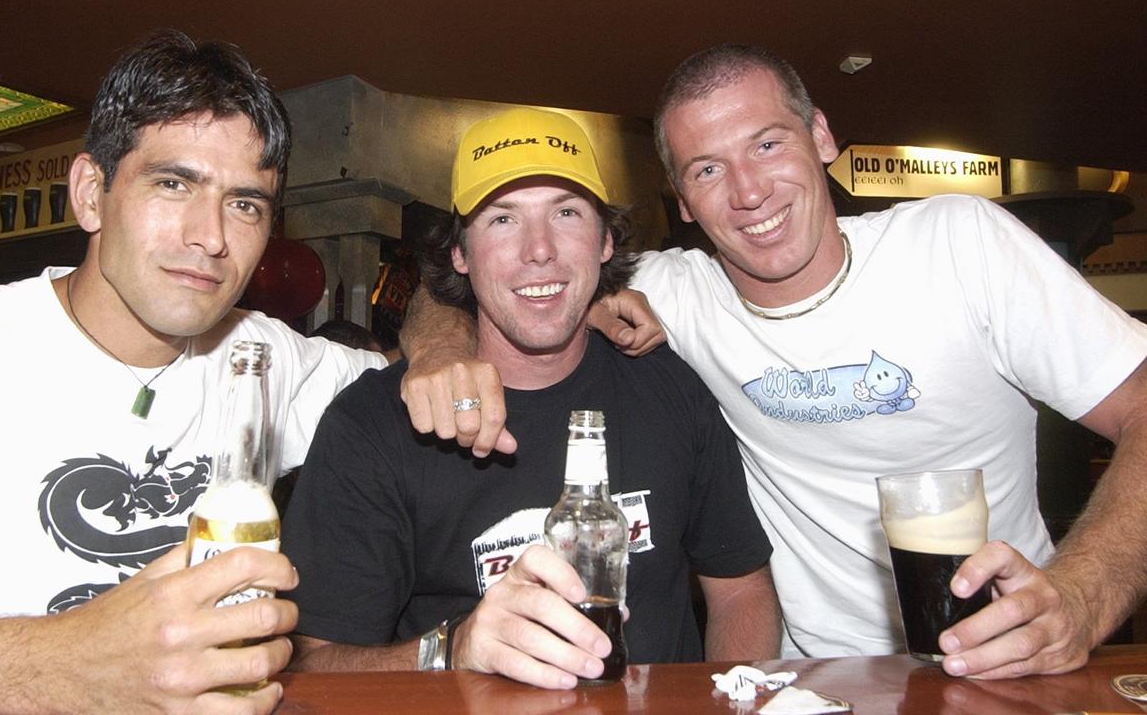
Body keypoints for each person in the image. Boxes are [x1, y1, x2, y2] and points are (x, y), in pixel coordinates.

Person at [404, 45, 1147, 680]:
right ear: (684, 202)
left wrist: (1080, 597)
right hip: (804, 682)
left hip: (1001, 666)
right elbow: (481, 288)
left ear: (822, 134)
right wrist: (442, 350)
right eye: (706, 170)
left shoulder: (961, 246)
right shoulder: (677, 291)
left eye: (767, 144)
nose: (749, 192)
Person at [0, 31, 391, 715]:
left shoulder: (263, 358)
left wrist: (443, 337)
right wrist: (65, 664)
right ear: (90, 192)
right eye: (173, 184)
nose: (210, 237)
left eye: (245, 204)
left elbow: (422, 382)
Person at [282, 107, 780, 690]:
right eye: (503, 220)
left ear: (605, 242)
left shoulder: (671, 387)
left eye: (566, 213)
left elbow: (741, 590)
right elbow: (309, 666)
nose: (539, 249)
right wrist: (452, 650)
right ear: (460, 255)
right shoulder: (373, 424)